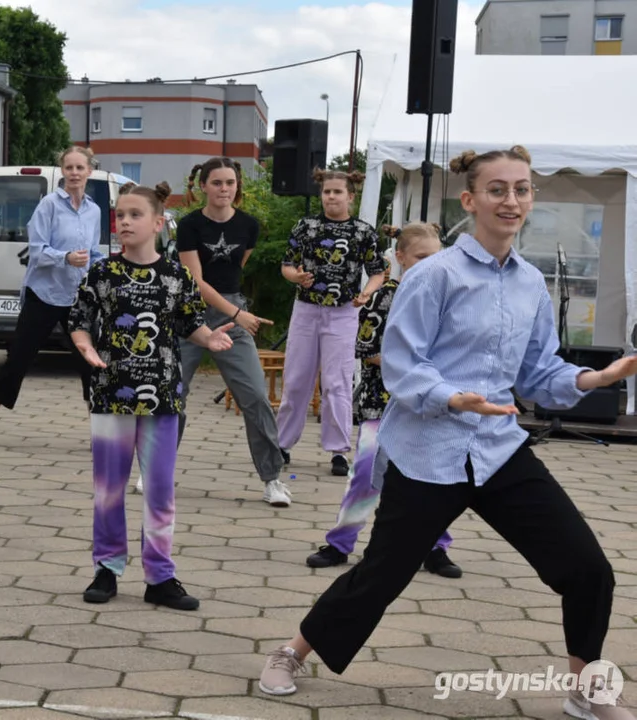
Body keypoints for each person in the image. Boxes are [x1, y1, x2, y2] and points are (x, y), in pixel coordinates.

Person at [258, 146, 637, 720]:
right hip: (428, 451)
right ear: (471, 199)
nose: (511, 200)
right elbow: (402, 359)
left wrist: (592, 377)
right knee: (382, 575)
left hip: (498, 450)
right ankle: (292, 652)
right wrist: (451, 396)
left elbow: (539, 371)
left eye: (522, 189)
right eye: (498, 190)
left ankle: (584, 691)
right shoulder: (434, 275)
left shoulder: (532, 283)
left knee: (589, 569)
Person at [70, 181, 235, 611]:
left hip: (162, 395)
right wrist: (86, 346)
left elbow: (189, 324)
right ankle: (107, 568)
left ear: (158, 223)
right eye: (119, 215)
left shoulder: (177, 276)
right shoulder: (102, 273)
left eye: (134, 215)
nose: (124, 221)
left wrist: (209, 337)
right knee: (109, 487)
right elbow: (79, 319)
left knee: (159, 489)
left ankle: (159, 576)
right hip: (109, 393)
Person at [305, 223, 460, 579]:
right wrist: (413, 364)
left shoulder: (451, 296)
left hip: (432, 405)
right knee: (365, 475)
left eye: (436, 257)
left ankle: (436, 547)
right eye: (421, 257)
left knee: (436, 478)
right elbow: (364, 346)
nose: (429, 264)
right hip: (383, 402)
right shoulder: (381, 296)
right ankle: (341, 543)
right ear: (399, 257)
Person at [0, 146, 101, 447]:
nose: (75, 174)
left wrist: (108, 267)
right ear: (62, 171)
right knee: (18, 361)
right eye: (69, 168)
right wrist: (65, 257)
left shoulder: (94, 210)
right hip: (44, 295)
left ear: (90, 171)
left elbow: (95, 253)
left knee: (90, 364)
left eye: (80, 168)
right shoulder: (49, 205)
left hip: (77, 298)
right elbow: (37, 253)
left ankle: (101, 433)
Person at [174, 157, 290, 507]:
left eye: (230, 183)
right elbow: (195, 281)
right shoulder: (190, 225)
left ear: (238, 186)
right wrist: (237, 313)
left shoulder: (249, 226)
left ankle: (273, 479)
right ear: (204, 186)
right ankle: (155, 470)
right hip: (191, 316)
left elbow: (234, 271)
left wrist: (234, 311)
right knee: (171, 393)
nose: (224, 189)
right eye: (217, 183)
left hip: (232, 313)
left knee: (255, 396)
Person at [276, 169, 387, 476]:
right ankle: (282, 444)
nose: (331, 197)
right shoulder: (306, 226)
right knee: (297, 378)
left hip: (343, 311)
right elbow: (286, 265)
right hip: (307, 309)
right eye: (327, 192)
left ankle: (338, 451)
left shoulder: (364, 232)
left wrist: (366, 293)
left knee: (337, 382)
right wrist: (295, 276)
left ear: (351, 196)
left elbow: (378, 272)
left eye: (338, 192)